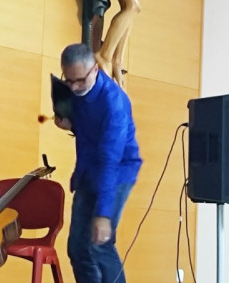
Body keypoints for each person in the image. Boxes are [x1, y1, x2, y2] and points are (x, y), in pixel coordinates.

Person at [53, 43, 141, 283]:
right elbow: (89, 131)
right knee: (77, 248)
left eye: (80, 80)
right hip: (89, 170)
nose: (74, 87)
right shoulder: (75, 91)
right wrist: (71, 125)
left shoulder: (114, 103)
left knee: (100, 244)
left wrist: (103, 214)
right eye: (69, 80)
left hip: (117, 172)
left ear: (95, 69)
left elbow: (109, 161)